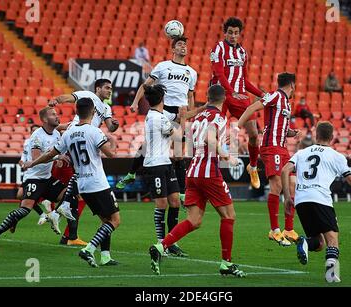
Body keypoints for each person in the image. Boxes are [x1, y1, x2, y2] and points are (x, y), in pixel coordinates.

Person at [149, 84, 246, 277]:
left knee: (194, 220)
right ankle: (226, 263)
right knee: (229, 216)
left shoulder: (197, 118)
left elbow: (196, 140)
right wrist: (227, 155)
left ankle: (161, 247)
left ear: (208, 98)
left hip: (192, 171)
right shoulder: (219, 117)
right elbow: (210, 139)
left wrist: (218, 143)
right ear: (224, 98)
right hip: (209, 173)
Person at [24, 98, 119, 267]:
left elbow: (49, 153)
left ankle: (105, 256)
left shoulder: (68, 133)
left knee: (105, 220)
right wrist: (112, 140)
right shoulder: (95, 132)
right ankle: (89, 249)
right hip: (97, 182)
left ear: (77, 112)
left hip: (82, 184)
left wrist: (33, 162)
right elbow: (111, 154)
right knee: (115, 220)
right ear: (93, 112)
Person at [281, 121, 351, 283]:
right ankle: (331, 275)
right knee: (332, 238)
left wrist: (288, 197)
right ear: (332, 137)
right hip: (320, 199)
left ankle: (305, 243)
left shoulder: (302, 153)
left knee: (319, 242)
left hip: (301, 201)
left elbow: (284, 170)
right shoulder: (336, 156)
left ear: (316, 135)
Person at [118, 36, 198, 207]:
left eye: (185, 44)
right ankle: (131, 173)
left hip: (181, 113)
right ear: (173, 49)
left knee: (178, 155)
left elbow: (190, 96)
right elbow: (145, 85)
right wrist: (134, 102)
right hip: (165, 111)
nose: (183, 47)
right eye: (179, 44)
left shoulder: (192, 72)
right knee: (149, 145)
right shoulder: (163, 66)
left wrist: (189, 116)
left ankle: (182, 194)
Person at [0, 107, 70, 247]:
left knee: (70, 194)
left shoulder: (56, 134)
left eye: (56, 114)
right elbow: (36, 159)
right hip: (34, 178)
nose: (57, 116)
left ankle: (54, 216)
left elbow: (62, 130)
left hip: (47, 178)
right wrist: (57, 157)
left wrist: (59, 159)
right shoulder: (37, 136)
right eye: (53, 114)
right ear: (44, 119)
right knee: (24, 210)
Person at [47, 79, 119, 236]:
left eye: (111, 88)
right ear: (97, 88)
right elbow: (70, 97)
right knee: (80, 173)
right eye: (107, 88)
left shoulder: (106, 107)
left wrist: (115, 124)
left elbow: (110, 127)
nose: (109, 91)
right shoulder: (87, 95)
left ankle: (61, 211)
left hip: (88, 139)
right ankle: (60, 207)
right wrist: (56, 100)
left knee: (79, 175)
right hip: (77, 133)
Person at [239, 72, 301, 246]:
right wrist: (237, 127)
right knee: (277, 185)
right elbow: (252, 108)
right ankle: (274, 230)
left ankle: (288, 229)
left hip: (282, 148)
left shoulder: (286, 103)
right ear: (293, 85)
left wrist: (292, 132)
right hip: (271, 147)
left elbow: (281, 127)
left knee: (292, 185)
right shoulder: (275, 96)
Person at [210, 17, 265, 189]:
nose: (233, 36)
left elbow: (245, 80)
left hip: (240, 97)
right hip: (221, 97)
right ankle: (211, 171)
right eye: (230, 33)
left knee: (254, 134)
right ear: (225, 32)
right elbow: (219, 73)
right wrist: (231, 91)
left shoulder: (242, 52)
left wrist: (262, 94)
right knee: (213, 135)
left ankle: (253, 167)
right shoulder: (218, 48)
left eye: (236, 33)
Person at [142, 84, 190, 257]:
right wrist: (183, 118)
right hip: (155, 165)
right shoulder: (158, 118)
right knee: (162, 204)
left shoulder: (156, 115)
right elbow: (179, 138)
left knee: (175, 201)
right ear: (162, 99)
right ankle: (161, 243)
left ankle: (171, 242)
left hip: (165, 163)